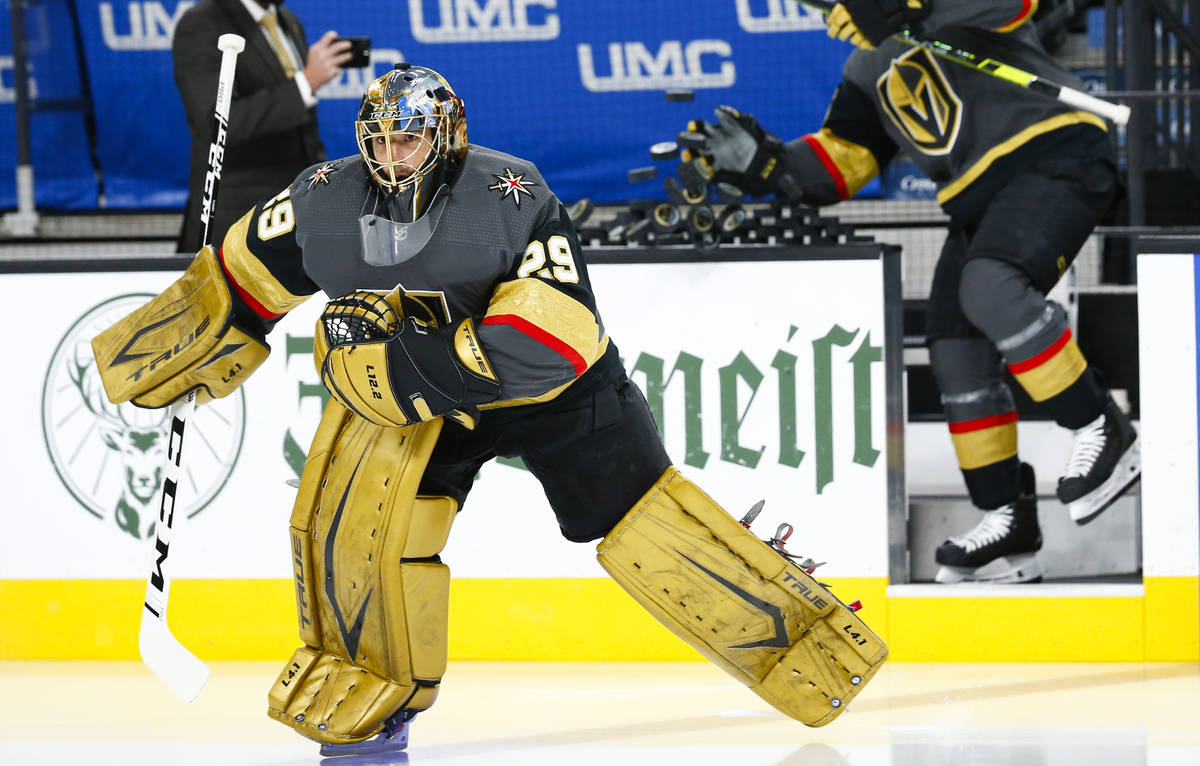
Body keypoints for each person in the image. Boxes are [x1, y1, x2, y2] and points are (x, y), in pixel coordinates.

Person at [91, 64, 887, 756]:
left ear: (448, 137)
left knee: (649, 522)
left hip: (549, 395)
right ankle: (382, 691)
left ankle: (799, 634)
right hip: (422, 405)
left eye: (408, 140)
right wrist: (191, 345)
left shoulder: (511, 194)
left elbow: (559, 336)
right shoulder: (322, 200)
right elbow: (239, 278)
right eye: (378, 140)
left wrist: (394, 364)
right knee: (360, 532)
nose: (391, 157)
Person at [681, 0, 1140, 584]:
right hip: (977, 198)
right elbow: (844, 162)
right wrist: (767, 166)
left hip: (1054, 152)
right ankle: (1007, 517)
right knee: (954, 343)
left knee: (991, 286)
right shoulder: (865, 66)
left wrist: (900, 12)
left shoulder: (947, 8)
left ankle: (1100, 426)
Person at [172, 0, 353, 253]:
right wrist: (305, 84)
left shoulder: (287, 19)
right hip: (236, 225)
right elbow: (216, 123)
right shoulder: (202, 23)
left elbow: (303, 128)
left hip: (295, 220)